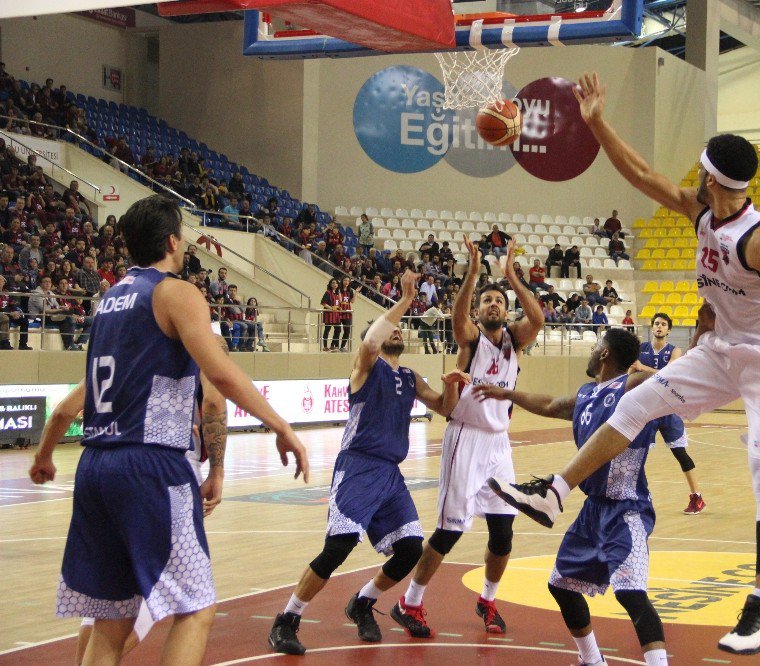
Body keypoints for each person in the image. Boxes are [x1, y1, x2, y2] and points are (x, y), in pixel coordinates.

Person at [489, 74, 760, 657]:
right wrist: (595, 123)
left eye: (701, 169)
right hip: (717, 353)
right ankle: (555, 492)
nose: (693, 176)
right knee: (635, 401)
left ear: (715, 177)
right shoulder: (702, 213)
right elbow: (641, 174)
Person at [28, 195, 308, 666]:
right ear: (173, 240)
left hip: (95, 465)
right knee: (196, 607)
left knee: (112, 622)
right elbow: (219, 375)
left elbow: (65, 409)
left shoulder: (110, 301)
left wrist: (44, 455)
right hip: (150, 464)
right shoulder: (176, 293)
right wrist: (281, 424)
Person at [268, 271, 467, 654]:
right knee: (338, 546)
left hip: (390, 474)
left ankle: (363, 601)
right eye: (388, 330)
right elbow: (373, 339)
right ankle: (287, 618)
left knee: (410, 549)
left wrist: (453, 380)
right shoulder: (364, 368)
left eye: (399, 330)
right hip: (358, 466)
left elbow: (445, 408)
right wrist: (405, 302)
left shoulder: (409, 376)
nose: (396, 333)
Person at [476, 329, 667, 666]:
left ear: (605, 354)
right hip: (592, 510)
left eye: (596, 346)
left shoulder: (631, 386)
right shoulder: (587, 394)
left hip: (626, 508)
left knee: (631, 592)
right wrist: (505, 393)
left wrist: (645, 371)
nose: (592, 352)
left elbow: (669, 379)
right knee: (562, 585)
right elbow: (550, 404)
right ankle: (592, 660)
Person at [399, 234, 544, 637]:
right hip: (465, 438)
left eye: (498, 301)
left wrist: (511, 277)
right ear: (478, 313)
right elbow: (457, 316)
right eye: (487, 301)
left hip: (499, 444)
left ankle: (488, 599)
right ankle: (409, 602)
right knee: (449, 531)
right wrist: (474, 276)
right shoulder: (470, 340)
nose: (493, 304)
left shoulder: (516, 341)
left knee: (503, 533)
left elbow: (538, 320)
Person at [73, 334, 231, 663]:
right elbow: (215, 403)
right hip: (164, 473)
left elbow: (65, 412)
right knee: (184, 601)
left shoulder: (132, 355)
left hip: (104, 470)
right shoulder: (201, 353)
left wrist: (45, 455)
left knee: (109, 603)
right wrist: (217, 471)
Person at [631, 313, 704, 514]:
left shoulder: (675, 351)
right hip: (647, 408)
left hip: (669, 408)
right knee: (637, 454)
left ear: (669, 330)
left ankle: (696, 497)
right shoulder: (640, 349)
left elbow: (668, 375)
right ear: (651, 327)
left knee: (680, 454)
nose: (659, 327)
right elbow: (631, 373)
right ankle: (636, 496)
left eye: (663, 324)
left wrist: (643, 369)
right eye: (656, 324)